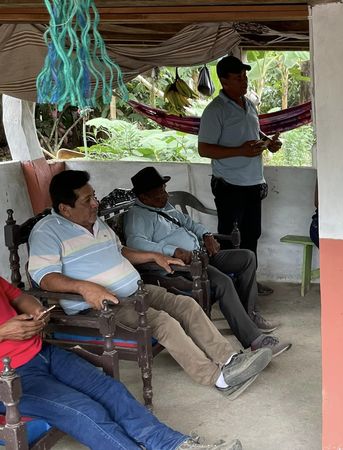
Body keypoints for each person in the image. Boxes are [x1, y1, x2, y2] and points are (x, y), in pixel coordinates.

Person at [27, 170, 272, 399]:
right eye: (87, 200)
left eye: (94, 196)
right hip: (101, 307)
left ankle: (230, 360)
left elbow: (121, 250)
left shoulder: (96, 222)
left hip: (135, 291)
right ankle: (218, 378)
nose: (95, 204)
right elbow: (45, 277)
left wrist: (155, 256)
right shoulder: (47, 232)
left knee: (186, 305)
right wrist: (84, 288)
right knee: (164, 323)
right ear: (65, 208)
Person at [0, 276, 241, 450]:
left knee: (111, 390)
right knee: (84, 411)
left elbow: (18, 296)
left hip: (43, 352)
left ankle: (174, 445)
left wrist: (36, 310)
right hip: (8, 378)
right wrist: (3, 332)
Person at [123, 166, 291, 357]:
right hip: (183, 268)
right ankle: (254, 340)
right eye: (159, 192)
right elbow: (135, 243)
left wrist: (207, 235)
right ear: (144, 197)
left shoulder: (163, 206)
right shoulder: (137, 215)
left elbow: (190, 223)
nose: (165, 195)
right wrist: (172, 251)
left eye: (164, 189)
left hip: (201, 255)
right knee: (223, 282)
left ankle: (249, 316)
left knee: (247, 257)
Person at [198, 55, 282, 296]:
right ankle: (229, 287)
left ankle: (249, 283)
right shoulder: (215, 110)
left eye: (245, 77)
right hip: (229, 185)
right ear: (224, 81)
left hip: (253, 182)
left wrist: (268, 143)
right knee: (229, 238)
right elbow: (204, 149)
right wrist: (240, 151)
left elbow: (254, 132)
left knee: (252, 235)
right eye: (238, 78)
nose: (244, 82)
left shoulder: (249, 104)